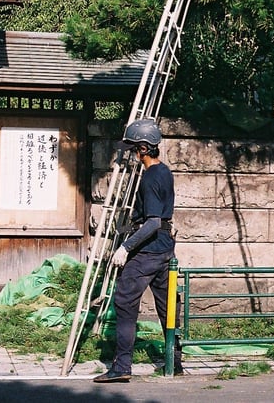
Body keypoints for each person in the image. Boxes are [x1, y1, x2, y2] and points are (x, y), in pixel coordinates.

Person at [94, 118, 181, 383]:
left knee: (124, 301)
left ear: (144, 148)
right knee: (168, 306)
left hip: (149, 251)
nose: (131, 153)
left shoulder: (150, 178)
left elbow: (153, 221)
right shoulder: (164, 171)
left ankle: (122, 366)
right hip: (166, 249)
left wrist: (125, 247)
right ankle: (174, 361)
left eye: (133, 148)